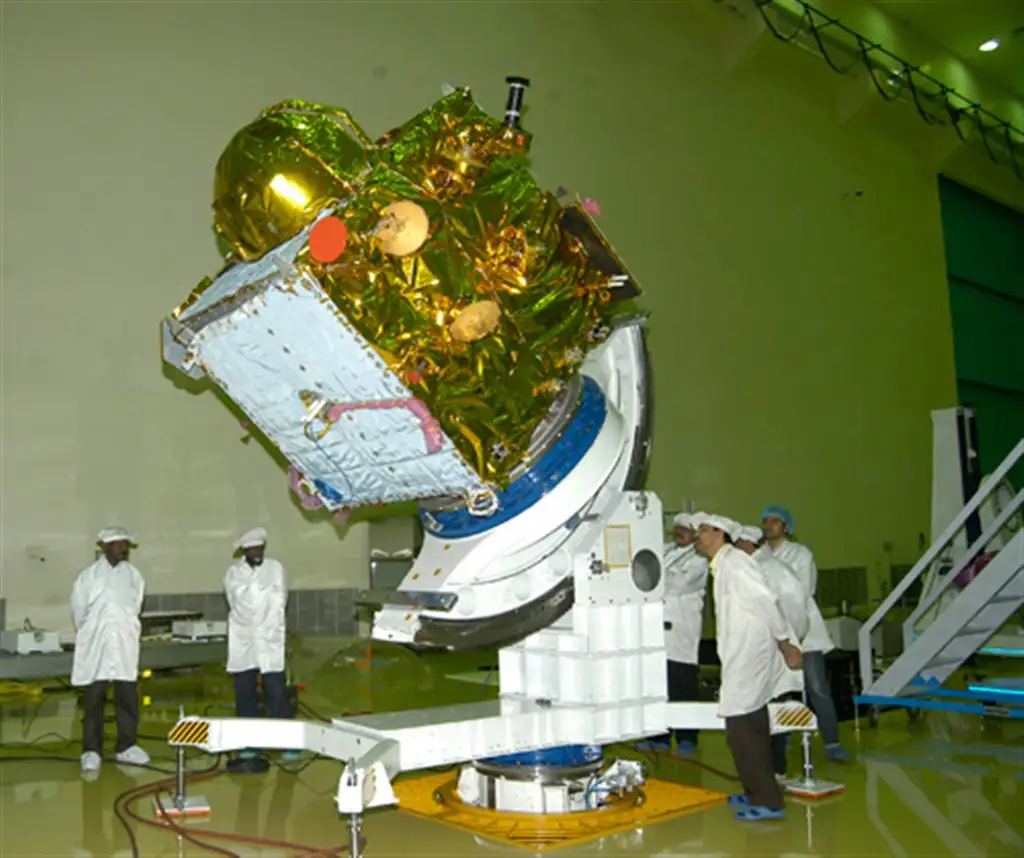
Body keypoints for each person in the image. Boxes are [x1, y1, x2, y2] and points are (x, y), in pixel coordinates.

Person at [694, 513, 803, 821]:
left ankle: (768, 801)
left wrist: (785, 643)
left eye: (704, 530)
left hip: (750, 654)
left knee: (741, 729)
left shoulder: (736, 564)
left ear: (720, 534)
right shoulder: (724, 565)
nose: (698, 535)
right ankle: (758, 791)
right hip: (743, 653)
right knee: (752, 723)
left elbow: (766, 601)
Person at [760, 507, 849, 762]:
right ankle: (782, 736)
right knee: (778, 691)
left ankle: (832, 742)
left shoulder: (801, 554)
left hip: (805, 633)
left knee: (817, 688)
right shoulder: (757, 556)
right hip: (774, 636)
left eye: (774, 521)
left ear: (787, 527)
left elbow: (802, 591)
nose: (768, 525)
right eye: (765, 521)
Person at [71, 527, 150, 774]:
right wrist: (93, 634)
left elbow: (136, 606)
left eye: (125, 544)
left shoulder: (134, 576)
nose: (123, 549)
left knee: (127, 696)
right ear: (105, 546)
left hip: (124, 645)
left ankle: (126, 745)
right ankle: (91, 750)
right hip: (96, 646)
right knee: (94, 699)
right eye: (118, 544)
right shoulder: (88, 577)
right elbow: (79, 612)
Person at [637, 512, 709, 756]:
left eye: (685, 529)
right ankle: (660, 735)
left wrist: (654, 582)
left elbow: (678, 585)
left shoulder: (700, 559)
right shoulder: (665, 550)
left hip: (681, 632)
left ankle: (688, 737)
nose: (679, 532)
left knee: (683, 685)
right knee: (657, 685)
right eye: (677, 528)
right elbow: (641, 576)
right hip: (656, 629)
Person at [224, 527, 296, 760]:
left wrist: (258, 596)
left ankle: (288, 743)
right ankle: (250, 743)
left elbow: (280, 599)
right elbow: (239, 602)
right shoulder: (233, 573)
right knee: (245, 693)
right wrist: (262, 595)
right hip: (244, 640)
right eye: (252, 548)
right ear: (244, 551)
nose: (257, 552)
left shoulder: (275, 568)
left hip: (270, 638)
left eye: (260, 548)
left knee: (276, 690)